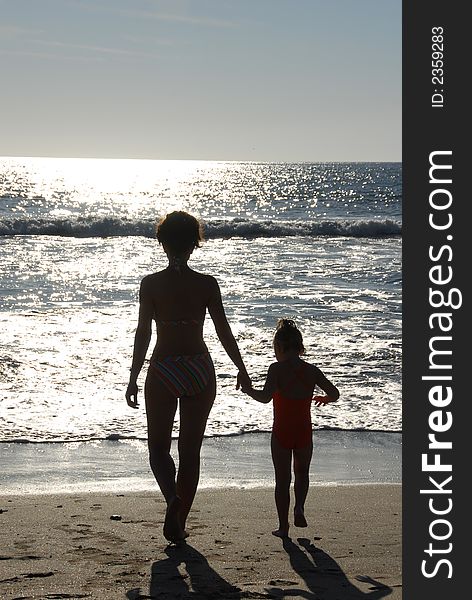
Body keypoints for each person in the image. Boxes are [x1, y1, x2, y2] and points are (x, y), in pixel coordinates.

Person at [125, 211, 251, 543]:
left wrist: (133, 376)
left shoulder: (151, 284)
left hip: (164, 366)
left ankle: (171, 499)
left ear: (162, 243)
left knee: (158, 450)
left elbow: (143, 333)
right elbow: (223, 331)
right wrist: (241, 367)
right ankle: (179, 523)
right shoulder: (207, 284)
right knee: (190, 451)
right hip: (199, 367)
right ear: (195, 244)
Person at [241, 318, 339, 538]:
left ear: (279, 347)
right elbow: (335, 393)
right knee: (302, 473)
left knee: (282, 480)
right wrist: (324, 398)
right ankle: (300, 508)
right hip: (304, 431)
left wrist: (248, 390)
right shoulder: (312, 371)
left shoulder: (276, 369)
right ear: (300, 347)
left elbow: (265, 398)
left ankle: (283, 526)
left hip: (282, 432)